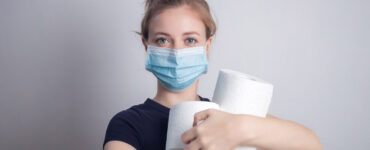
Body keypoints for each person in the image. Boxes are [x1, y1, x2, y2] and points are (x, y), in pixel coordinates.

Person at [103, 0, 322, 150]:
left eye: (190, 40)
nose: (177, 52)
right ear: (146, 45)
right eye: (162, 40)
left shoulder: (228, 115)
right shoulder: (127, 125)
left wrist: (239, 128)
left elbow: (311, 144)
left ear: (207, 45)